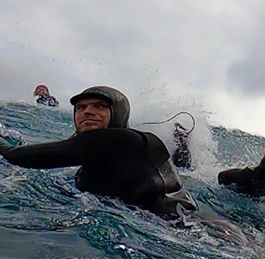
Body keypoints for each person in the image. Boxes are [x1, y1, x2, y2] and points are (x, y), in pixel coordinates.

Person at [0, 86, 244, 243]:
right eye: (81, 108)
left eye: (100, 106)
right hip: (197, 227)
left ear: (118, 113)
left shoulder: (117, 139)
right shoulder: (114, 150)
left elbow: (15, 156)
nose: (87, 112)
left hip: (196, 232)